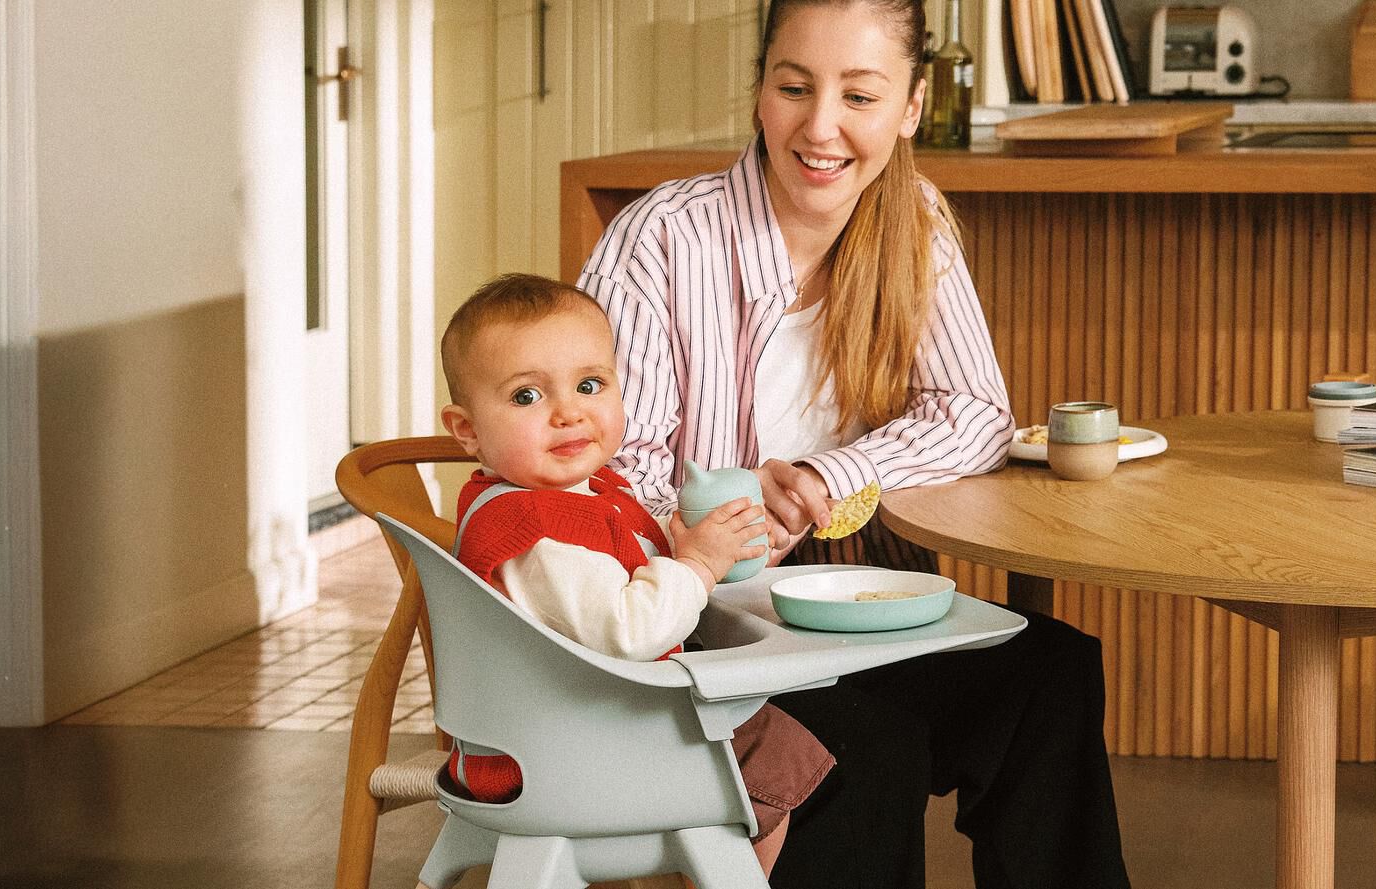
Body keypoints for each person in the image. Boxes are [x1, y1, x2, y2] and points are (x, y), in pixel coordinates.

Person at [576, 1, 1130, 887]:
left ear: (910, 108)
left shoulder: (913, 219)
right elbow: (595, 481)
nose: (820, 127)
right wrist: (730, 509)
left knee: (1051, 675)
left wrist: (829, 477)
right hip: (696, 647)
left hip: (846, 616)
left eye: (859, 96)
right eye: (794, 86)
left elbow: (976, 410)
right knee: (864, 748)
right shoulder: (661, 241)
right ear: (761, 90)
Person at [435, 272, 835, 875]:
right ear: (467, 430)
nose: (568, 413)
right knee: (764, 746)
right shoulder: (539, 531)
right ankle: (728, 877)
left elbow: (616, 584)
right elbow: (627, 627)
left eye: (589, 385)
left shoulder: (589, 494)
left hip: (568, 728)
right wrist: (697, 564)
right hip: (564, 754)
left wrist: (682, 550)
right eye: (527, 397)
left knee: (764, 731)